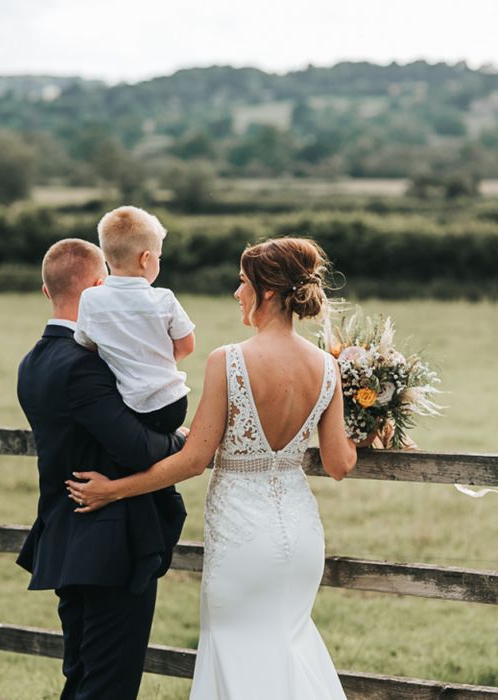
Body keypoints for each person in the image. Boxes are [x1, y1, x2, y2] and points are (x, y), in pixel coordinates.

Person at [68, 237, 358, 699]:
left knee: (236, 652)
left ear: (266, 292)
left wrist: (114, 490)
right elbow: (340, 463)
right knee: (291, 644)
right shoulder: (327, 366)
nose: (236, 292)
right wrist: (373, 433)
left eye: (243, 283)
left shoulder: (231, 360)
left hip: (243, 538)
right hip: (301, 536)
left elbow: (193, 459)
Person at [16, 238, 187, 700]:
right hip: (109, 548)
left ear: (45, 290)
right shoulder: (85, 363)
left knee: (83, 679)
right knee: (109, 686)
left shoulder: (32, 362)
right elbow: (135, 448)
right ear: (97, 288)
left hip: (67, 540)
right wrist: (185, 439)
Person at [74, 205, 195, 433]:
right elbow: (188, 345)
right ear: (146, 258)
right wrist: (158, 360)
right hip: (173, 404)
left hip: (127, 405)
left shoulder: (90, 299)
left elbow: (85, 344)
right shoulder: (164, 299)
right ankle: (175, 438)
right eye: (159, 257)